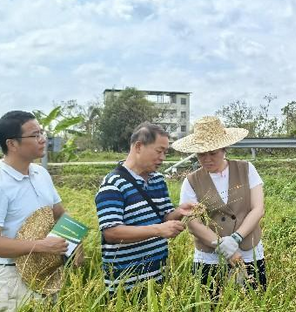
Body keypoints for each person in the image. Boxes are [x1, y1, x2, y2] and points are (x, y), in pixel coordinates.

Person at [0, 111, 70, 311]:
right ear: (12, 144)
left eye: (42, 133)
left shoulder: (41, 174)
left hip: (46, 274)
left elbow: (60, 214)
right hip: (11, 279)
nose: (42, 139)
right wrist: (41, 246)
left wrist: (73, 246)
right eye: (35, 135)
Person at [95, 122, 195, 294]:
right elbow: (111, 233)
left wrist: (179, 212)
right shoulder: (113, 184)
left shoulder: (158, 180)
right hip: (126, 284)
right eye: (159, 151)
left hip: (158, 277)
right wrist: (158, 230)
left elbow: (164, 219)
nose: (163, 157)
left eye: (165, 152)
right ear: (139, 146)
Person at [172, 116, 267, 294]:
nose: (207, 159)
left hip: (247, 248)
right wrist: (222, 246)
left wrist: (236, 239)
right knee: (210, 302)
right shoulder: (191, 181)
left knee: (254, 298)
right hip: (210, 255)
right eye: (201, 154)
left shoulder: (246, 169)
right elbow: (193, 222)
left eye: (213, 152)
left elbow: (257, 208)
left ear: (224, 149)